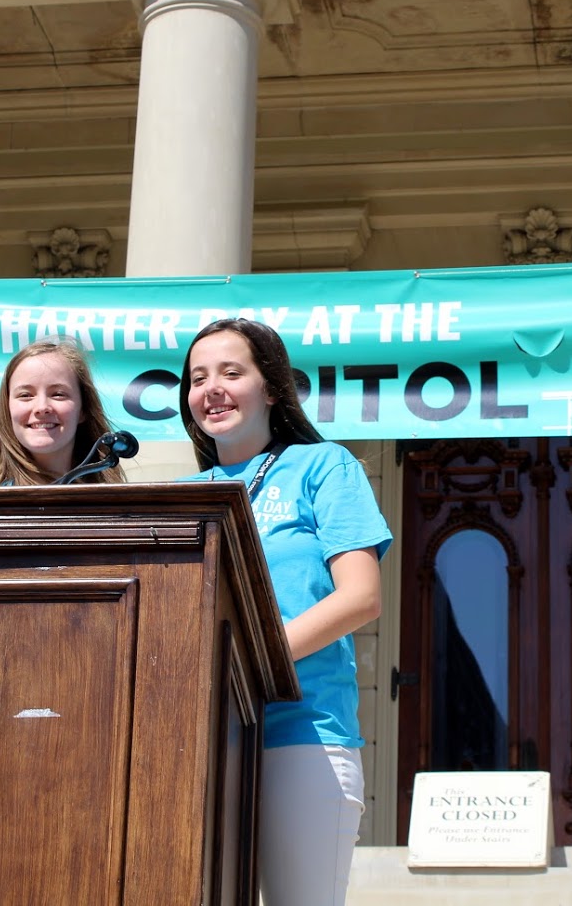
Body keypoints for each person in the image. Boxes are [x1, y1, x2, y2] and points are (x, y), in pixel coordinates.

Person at [180, 318, 389, 906]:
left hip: (302, 737)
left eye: (230, 372)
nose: (211, 389)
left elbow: (360, 597)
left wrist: (247, 660)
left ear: (271, 388)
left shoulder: (324, 466)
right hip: (200, 739)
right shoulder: (180, 494)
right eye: (197, 378)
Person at [0, 337, 125, 486]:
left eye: (58, 394)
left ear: (83, 409)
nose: (42, 407)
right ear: (7, 409)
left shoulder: (119, 503)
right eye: (25, 395)